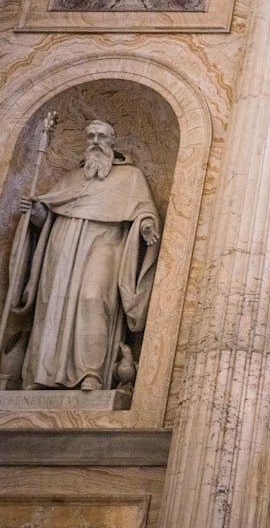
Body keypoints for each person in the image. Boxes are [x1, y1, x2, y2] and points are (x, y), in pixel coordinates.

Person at [8, 119, 161, 390]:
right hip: (64, 245)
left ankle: (91, 372)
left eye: (101, 136)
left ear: (112, 141)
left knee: (93, 297)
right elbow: (50, 213)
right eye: (90, 136)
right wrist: (37, 212)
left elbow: (143, 210)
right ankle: (43, 375)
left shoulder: (131, 177)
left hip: (105, 242)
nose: (95, 142)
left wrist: (146, 226)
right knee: (55, 303)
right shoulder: (71, 178)